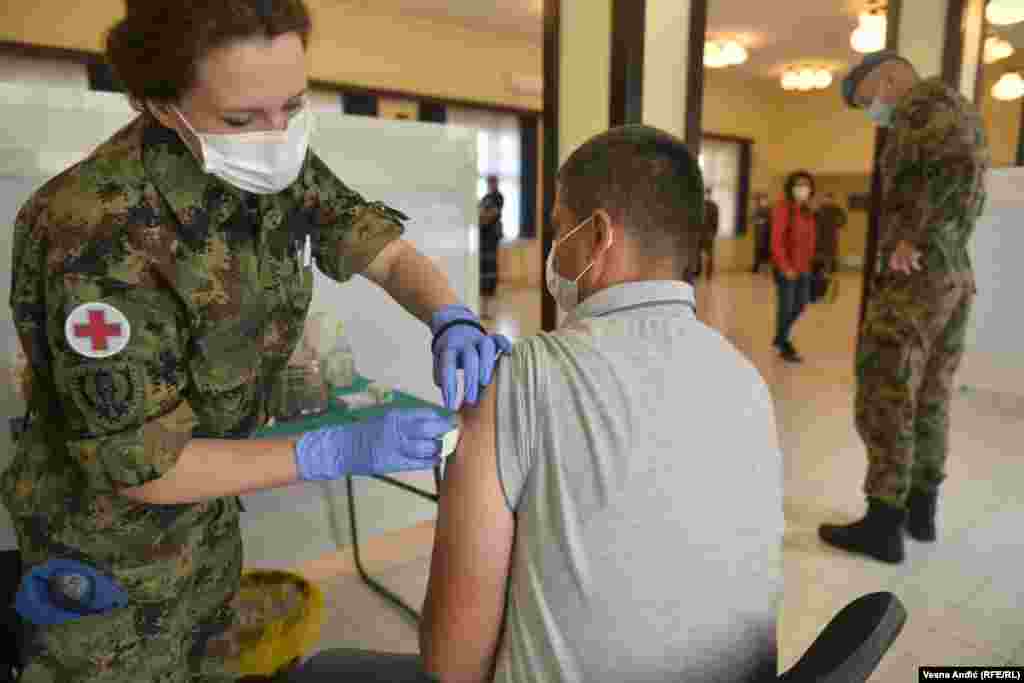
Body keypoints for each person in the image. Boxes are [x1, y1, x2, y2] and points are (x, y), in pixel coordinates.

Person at [1, 1, 510, 680]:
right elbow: (147, 466)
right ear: (160, 103)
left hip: (206, 528)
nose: (275, 135)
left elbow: (382, 251)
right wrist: (333, 448)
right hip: (107, 556)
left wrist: (450, 314)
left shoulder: (276, 163)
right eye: (242, 119)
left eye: (293, 105)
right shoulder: (95, 230)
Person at [285, 126, 784, 682]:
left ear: (597, 236)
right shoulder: (747, 382)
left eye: (555, 229)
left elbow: (451, 664)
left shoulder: (519, 379)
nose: (553, 248)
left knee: (322, 671)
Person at [818, 51, 989, 564]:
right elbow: (969, 183)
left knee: (886, 389)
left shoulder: (922, 108)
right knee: (932, 391)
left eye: (867, 97)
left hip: (916, 277)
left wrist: (913, 234)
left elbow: (950, 175)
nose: (871, 110)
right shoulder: (958, 107)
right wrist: (936, 235)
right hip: (952, 270)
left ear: (887, 77)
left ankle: (882, 524)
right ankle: (921, 510)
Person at [771, 171, 818, 363]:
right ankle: (784, 344)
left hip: (805, 268)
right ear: (790, 188)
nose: (802, 189)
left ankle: (780, 337)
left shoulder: (807, 211)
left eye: (806, 185)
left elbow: (811, 240)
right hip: (787, 269)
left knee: (801, 304)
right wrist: (784, 266)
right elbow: (776, 241)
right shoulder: (784, 209)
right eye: (798, 185)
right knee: (786, 306)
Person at [478, 175, 504, 319]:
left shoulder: (498, 197)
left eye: (493, 181)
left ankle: (489, 309)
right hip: (483, 239)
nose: (490, 184)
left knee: (490, 272)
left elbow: (489, 215)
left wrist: (483, 218)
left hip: (491, 239)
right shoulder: (486, 197)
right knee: (483, 272)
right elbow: (480, 213)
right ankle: (483, 309)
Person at [814, 192, 848, 274]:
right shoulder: (819, 208)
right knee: (819, 253)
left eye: (829, 199)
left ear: (832, 200)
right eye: (826, 198)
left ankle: (828, 271)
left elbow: (843, 218)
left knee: (830, 254)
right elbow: (813, 219)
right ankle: (819, 270)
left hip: (831, 235)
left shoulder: (836, 208)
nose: (827, 200)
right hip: (820, 235)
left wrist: (838, 225)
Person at [751, 193, 773, 273]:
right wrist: (758, 221)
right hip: (759, 234)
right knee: (757, 251)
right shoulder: (757, 209)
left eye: (764, 200)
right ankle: (756, 268)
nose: (763, 201)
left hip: (767, 234)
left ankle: (766, 268)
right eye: (761, 200)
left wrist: (764, 221)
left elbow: (771, 220)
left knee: (766, 252)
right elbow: (753, 220)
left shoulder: (770, 209)